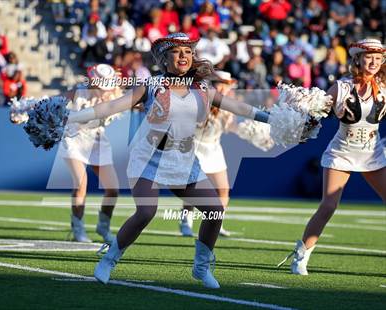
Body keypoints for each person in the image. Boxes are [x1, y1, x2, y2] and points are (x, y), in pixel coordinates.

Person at [67, 33, 270, 288]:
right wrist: (72, 117)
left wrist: (272, 119)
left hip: (184, 159)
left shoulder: (202, 88)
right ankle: (109, 259)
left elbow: (240, 108)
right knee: (146, 212)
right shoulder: (151, 85)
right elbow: (110, 107)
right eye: (177, 51)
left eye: (188, 51)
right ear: (165, 59)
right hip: (149, 157)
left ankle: (201, 267)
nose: (184, 56)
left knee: (215, 210)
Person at [280, 38, 386, 275]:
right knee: (328, 205)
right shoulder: (342, 87)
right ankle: (301, 255)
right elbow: (317, 114)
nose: (374, 62)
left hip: (373, 154)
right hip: (342, 152)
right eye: (369, 57)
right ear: (357, 59)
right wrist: (300, 113)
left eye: (378, 58)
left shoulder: (384, 85)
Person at [60, 64, 121, 243]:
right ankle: (78, 227)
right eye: (101, 87)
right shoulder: (78, 93)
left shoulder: (115, 96)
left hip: (97, 140)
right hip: (74, 139)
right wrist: (25, 111)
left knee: (113, 188)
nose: (104, 91)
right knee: (81, 184)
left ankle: (103, 227)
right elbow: (51, 103)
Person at [179, 71, 237, 237]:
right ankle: (185, 221)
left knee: (223, 189)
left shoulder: (228, 103)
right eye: (222, 83)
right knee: (192, 189)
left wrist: (230, 117)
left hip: (214, 148)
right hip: (195, 146)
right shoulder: (202, 99)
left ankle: (217, 223)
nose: (226, 87)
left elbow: (229, 127)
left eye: (227, 84)